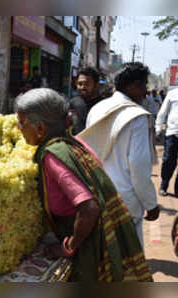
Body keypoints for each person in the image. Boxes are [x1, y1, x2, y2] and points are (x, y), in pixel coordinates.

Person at [15, 88, 152, 282]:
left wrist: (68, 247)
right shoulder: (76, 143)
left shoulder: (53, 157)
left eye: (22, 122)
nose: (19, 128)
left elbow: (89, 207)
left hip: (88, 245)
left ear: (40, 129)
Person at [79, 62, 160, 246]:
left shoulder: (98, 108)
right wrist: (151, 203)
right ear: (133, 85)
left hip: (96, 193)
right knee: (128, 260)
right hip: (125, 200)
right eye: (144, 85)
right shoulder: (137, 117)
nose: (145, 91)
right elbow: (139, 168)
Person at [68, 67, 113, 135]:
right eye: (80, 84)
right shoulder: (73, 103)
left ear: (96, 85)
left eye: (87, 84)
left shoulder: (104, 105)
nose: (83, 87)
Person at [155, 87, 178, 197]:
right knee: (169, 160)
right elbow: (162, 112)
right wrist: (158, 129)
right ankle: (163, 186)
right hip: (173, 133)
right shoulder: (172, 94)